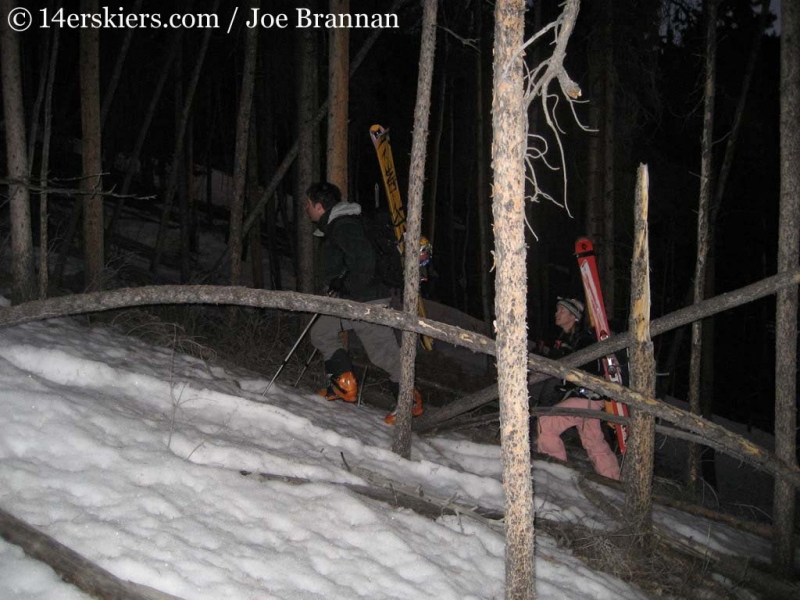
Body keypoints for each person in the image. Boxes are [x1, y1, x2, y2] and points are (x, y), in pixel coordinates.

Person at [303, 182, 423, 425]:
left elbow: (364, 261)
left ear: (318, 205)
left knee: (384, 355)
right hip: (352, 300)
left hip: (367, 300)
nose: (306, 208)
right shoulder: (338, 223)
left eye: (308, 204)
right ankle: (343, 385)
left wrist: (346, 285)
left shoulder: (344, 225)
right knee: (322, 332)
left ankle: (409, 402)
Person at [535, 297, 621, 480]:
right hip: (588, 401)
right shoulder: (565, 339)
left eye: (562, 311)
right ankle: (613, 479)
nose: (557, 314)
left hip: (588, 397)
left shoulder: (584, 339)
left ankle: (557, 474)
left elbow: (588, 369)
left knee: (546, 425)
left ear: (573, 317)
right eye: (557, 310)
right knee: (593, 441)